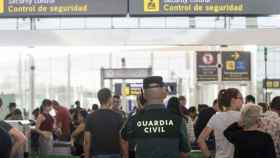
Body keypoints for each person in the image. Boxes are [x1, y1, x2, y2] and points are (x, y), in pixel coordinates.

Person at [121, 76, 191, 158]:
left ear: (144, 95)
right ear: (164, 94)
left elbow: (122, 138)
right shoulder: (178, 120)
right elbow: (185, 152)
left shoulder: (134, 120)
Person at [198, 88, 243, 158]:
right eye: (241, 98)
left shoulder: (216, 117)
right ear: (233, 100)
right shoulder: (243, 117)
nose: (243, 101)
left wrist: (209, 156)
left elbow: (200, 140)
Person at [84, 88, 123, 158]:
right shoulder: (118, 117)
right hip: (114, 154)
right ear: (110, 99)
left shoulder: (90, 117)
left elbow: (87, 142)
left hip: (96, 155)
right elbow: (122, 139)